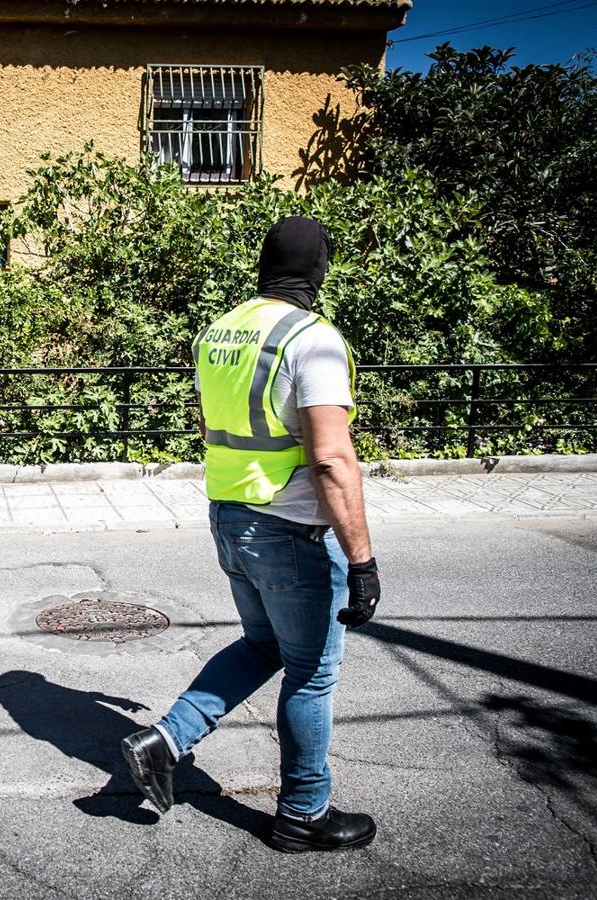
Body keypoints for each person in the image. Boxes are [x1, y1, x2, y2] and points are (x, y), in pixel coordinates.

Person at [121, 217, 382, 853]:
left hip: (230, 516)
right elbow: (331, 459)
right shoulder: (313, 338)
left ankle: (165, 740)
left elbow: (220, 423)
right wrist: (363, 558)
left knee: (264, 646)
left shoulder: (219, 332)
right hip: (292, 529)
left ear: (265, 266)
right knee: (312, 673)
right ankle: (303, 814)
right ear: (318, 269)